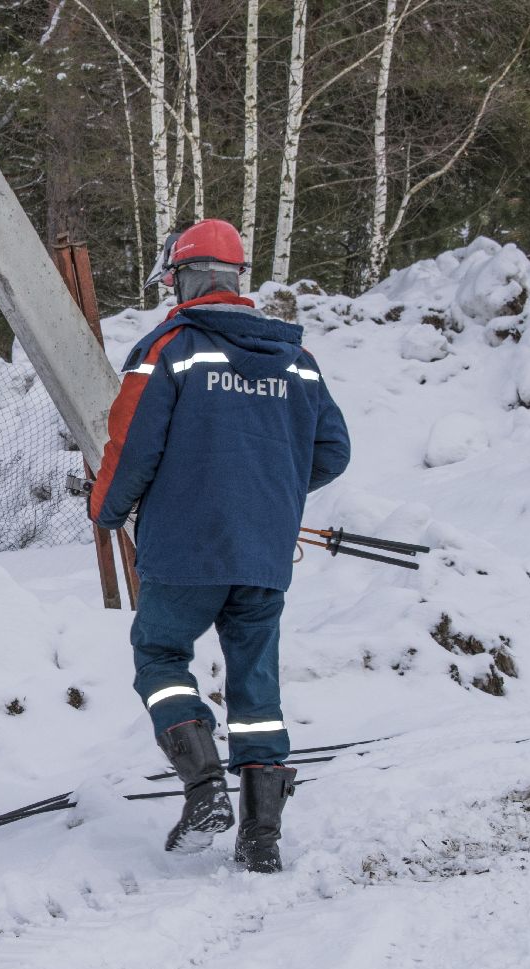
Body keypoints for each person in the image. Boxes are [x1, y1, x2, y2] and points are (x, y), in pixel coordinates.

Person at [90, 219, 349, 872]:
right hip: (263, 553)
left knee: (159, 655)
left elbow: (132, 445)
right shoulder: (297, 360)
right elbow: (333, 452)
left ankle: (205, 787)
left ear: (183, 277)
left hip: (185, 548)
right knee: (256, 686)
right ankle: (262, 836)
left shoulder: (171, 350)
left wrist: (108, 509)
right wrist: (271, 491)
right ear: (237, 280)